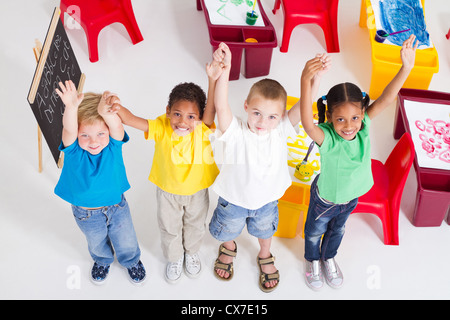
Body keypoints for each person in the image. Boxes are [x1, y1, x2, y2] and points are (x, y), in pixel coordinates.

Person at [300, 35, 418, 290]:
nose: (349, 125)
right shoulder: (327, 137)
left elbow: (386, 98)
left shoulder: (363, 128)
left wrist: (406, 68)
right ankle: (312, 260)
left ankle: (328, 257)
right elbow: (307, 123)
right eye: (340, 119)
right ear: (330, 117)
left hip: (350, 199)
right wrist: (305, 79)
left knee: (338, 232)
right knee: (313, 233)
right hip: (325, 200)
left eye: (355, 117)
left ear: (362, 114)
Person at [115, 61, 221, 284]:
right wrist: (117, 108)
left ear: (200, 118)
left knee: (195, 226)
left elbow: (211, 109)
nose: (183, 122)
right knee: (169, 228)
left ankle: (191, 253)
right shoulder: (162, 126)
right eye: (177, 114)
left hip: (197, 192)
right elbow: (132, 120)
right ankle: (174, 257)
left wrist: (212, 79)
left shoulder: (202, 130)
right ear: (167, 112)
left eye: (191, 116)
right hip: (167, 192)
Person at [207, 42, 300, 293]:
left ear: (280, 117)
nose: (262, 122)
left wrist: (311, 78)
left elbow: (302, 108)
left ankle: (265, 254)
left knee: (265, 231)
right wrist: (225, 70)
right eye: (257, 113)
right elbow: (221, 106)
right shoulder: (235, 131)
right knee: (228, 229)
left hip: (266, 202)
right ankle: (229, 247)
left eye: (271, 117)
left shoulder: (280, 131)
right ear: (246, 106)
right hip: (233, 200)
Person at [54, 80, 146, 285]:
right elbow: (68, 129)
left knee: (126, 240)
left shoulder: (113, 145)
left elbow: (116, 126)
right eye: (85, 135)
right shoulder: (74, 151)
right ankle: (103, 260)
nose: (93, 141)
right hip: (86, 214)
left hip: (117, 207)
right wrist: (71, 108)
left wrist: (106, 114)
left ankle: (131, 261)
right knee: (96, 242)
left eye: (100, 134)